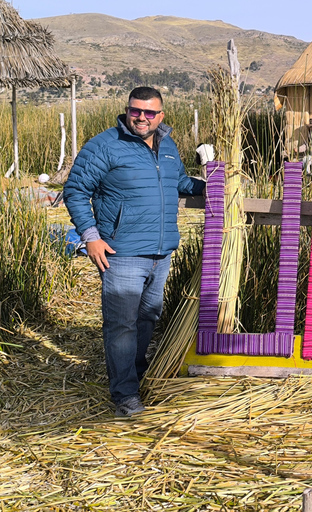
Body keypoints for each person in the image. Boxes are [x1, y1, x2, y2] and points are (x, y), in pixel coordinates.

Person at [63, 86, 205, 418]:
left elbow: (179, 182)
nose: (141, 117)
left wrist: (211, 183)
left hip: (161, 252)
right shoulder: (105, 145)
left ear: (161, 115)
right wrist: (91, 236)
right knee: (122, 326)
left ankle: (136, 377)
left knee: (147, 319)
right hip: (121, 251)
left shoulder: (167, 146)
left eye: (149, 112)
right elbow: (75, 189)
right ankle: (125, 396)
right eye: (135, 110)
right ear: (127, 110)